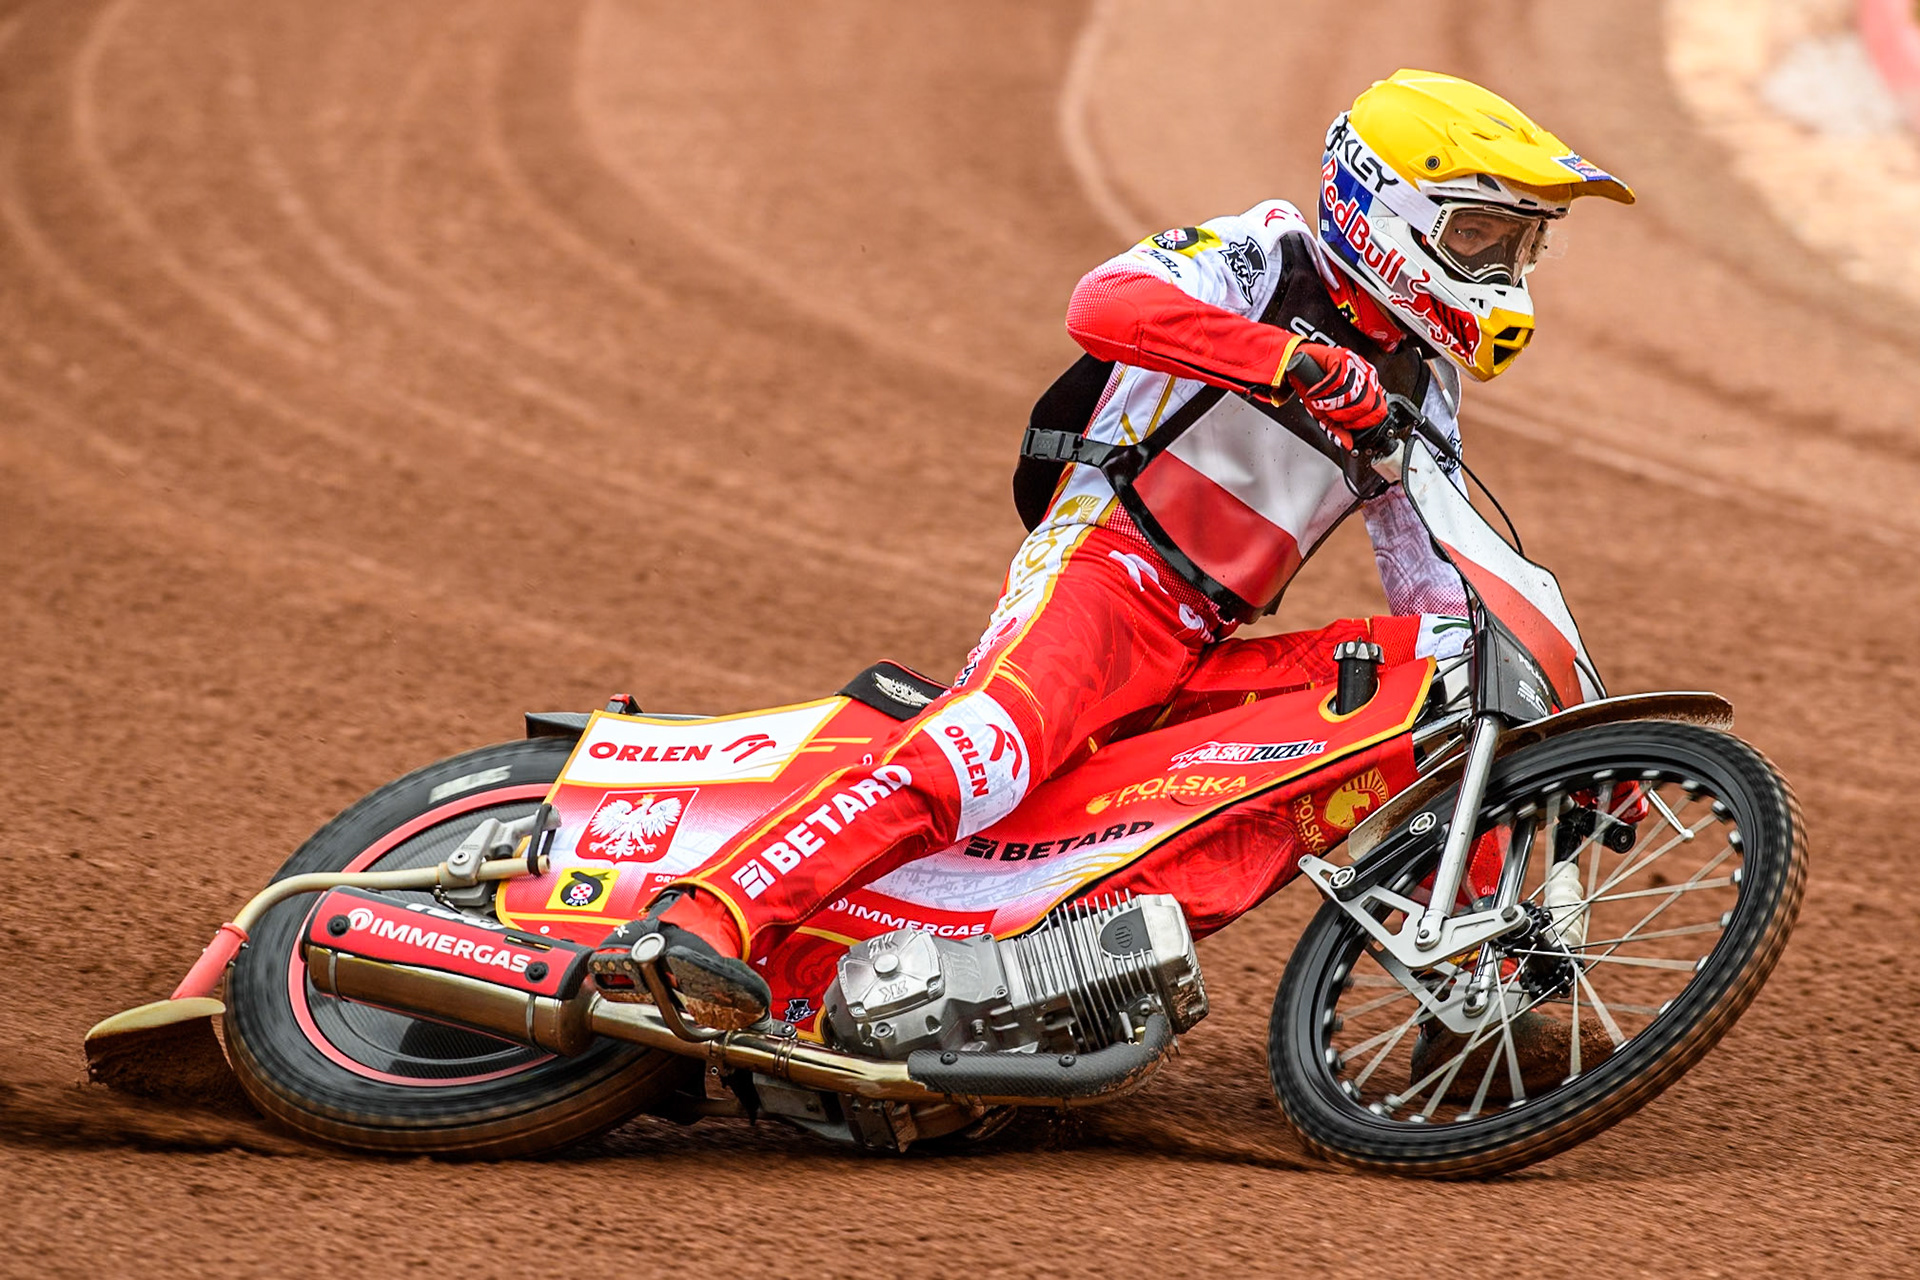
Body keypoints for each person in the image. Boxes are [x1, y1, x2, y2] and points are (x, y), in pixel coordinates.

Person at [590, 69, 1635, 1030]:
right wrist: (1290, 361)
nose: (1502, 270)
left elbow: (1436, 583)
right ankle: (701, 917)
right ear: (1388, 208)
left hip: (1204, 638)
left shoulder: (1419, 381)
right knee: (989, 748)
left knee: (1443, 685)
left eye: (1519, 246)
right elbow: (1102, 303)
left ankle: (1475, 993)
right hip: (1105, 572)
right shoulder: (1265, 256)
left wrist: (1560, 732)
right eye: (1481, 236)